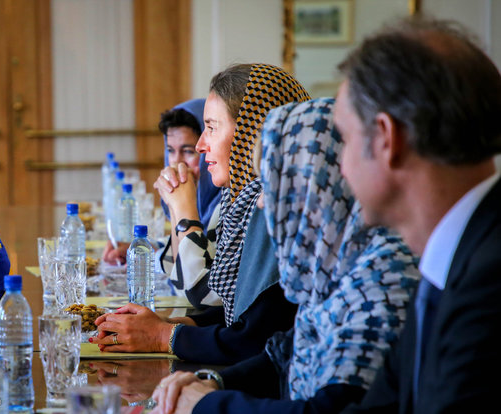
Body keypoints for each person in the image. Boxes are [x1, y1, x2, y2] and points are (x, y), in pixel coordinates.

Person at [149, 98, 420, 414]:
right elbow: (282, 353)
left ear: (316, 184)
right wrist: (213, 383)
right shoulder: (335, 263)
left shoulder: (381, 273)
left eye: (273, 183)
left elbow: (330, 408)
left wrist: (210, 404)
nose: (261, 202)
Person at [334, 17, 501, 414]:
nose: (340, 165)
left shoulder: (489, 281)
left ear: (386, 138)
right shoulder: (449, 259)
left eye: (344, 139)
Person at [92, 63, 310, 365]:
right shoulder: (243, 200)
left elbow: (255, 340)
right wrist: (176, 325)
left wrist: (162, 336)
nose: (200, 145)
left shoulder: (272, 206)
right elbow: (242, 311)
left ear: (253, 131)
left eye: (211, 127)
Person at [102, 99, 222, 307]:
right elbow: (181, 260)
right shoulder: (204, 200)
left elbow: (187, 286)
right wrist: (142, 249)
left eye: (188, 151)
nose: (176, 163)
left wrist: (182, 207)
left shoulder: (225, 202)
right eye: (171, 150)